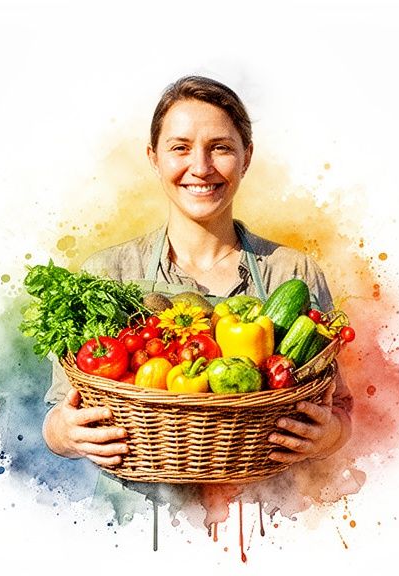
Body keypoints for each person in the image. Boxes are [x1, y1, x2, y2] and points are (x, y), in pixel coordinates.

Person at [42, 75, 353, 473]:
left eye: (220, 148)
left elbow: (340, 407)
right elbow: (57, 412)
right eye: (180, 148)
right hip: (138, 513)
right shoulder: (107, 274)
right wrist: (65, 435)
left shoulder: (293, 270)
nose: (201, 168)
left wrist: (328, 437)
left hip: (267, 514)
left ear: (247, 156)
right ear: (154, 158)